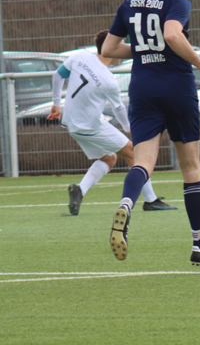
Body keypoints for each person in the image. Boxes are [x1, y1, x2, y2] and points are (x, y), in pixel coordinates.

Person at [102, 0, 200, 266]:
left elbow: (110, 48)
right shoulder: (177, 1)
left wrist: (140, 48)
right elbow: (171, 34)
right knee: (191, 168)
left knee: (143, 161)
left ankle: (127, 203)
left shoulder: (130, 2)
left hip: (142, 90)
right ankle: (199, 245)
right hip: (177, 89)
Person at [47, 30, 176, 216]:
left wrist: (56, 104)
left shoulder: (80, 56)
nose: (123, 49)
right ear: (110, 47)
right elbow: (118, 109)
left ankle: (80, 190)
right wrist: (129, 129)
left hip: (72, 123)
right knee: (133, 152)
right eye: (120, 44)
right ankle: (150, 200)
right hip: (89, 125)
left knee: (109, 158)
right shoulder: (108, 80)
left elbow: (57, 76)